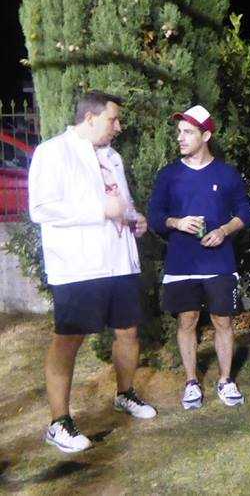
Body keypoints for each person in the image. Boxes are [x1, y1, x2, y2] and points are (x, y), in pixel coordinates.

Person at [29, 91, 156, 453]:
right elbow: (41, 208)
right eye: (113, 119)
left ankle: (125, 393)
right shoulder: (53, 152)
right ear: (90, 118)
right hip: (79, 267)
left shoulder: (112, 156)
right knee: (68, 339)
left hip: (120, 261)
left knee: (128, 331)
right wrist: (100, 209)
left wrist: (135, 218)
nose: (119, 126)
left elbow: (120, 203)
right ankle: (59, 422)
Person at [147, 105, 250, 409]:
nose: (180, 137)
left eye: (188, 132)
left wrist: (224, 230)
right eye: (179, 132)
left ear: (206, 135)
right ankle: (192, 382)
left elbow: (244, 213)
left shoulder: (226, 173)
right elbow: (155, 216)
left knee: (222, 321)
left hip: (219, 261)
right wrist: (176, 223)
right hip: (182, 262)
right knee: (187, 321)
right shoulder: (169, 175)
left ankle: (226, 380)